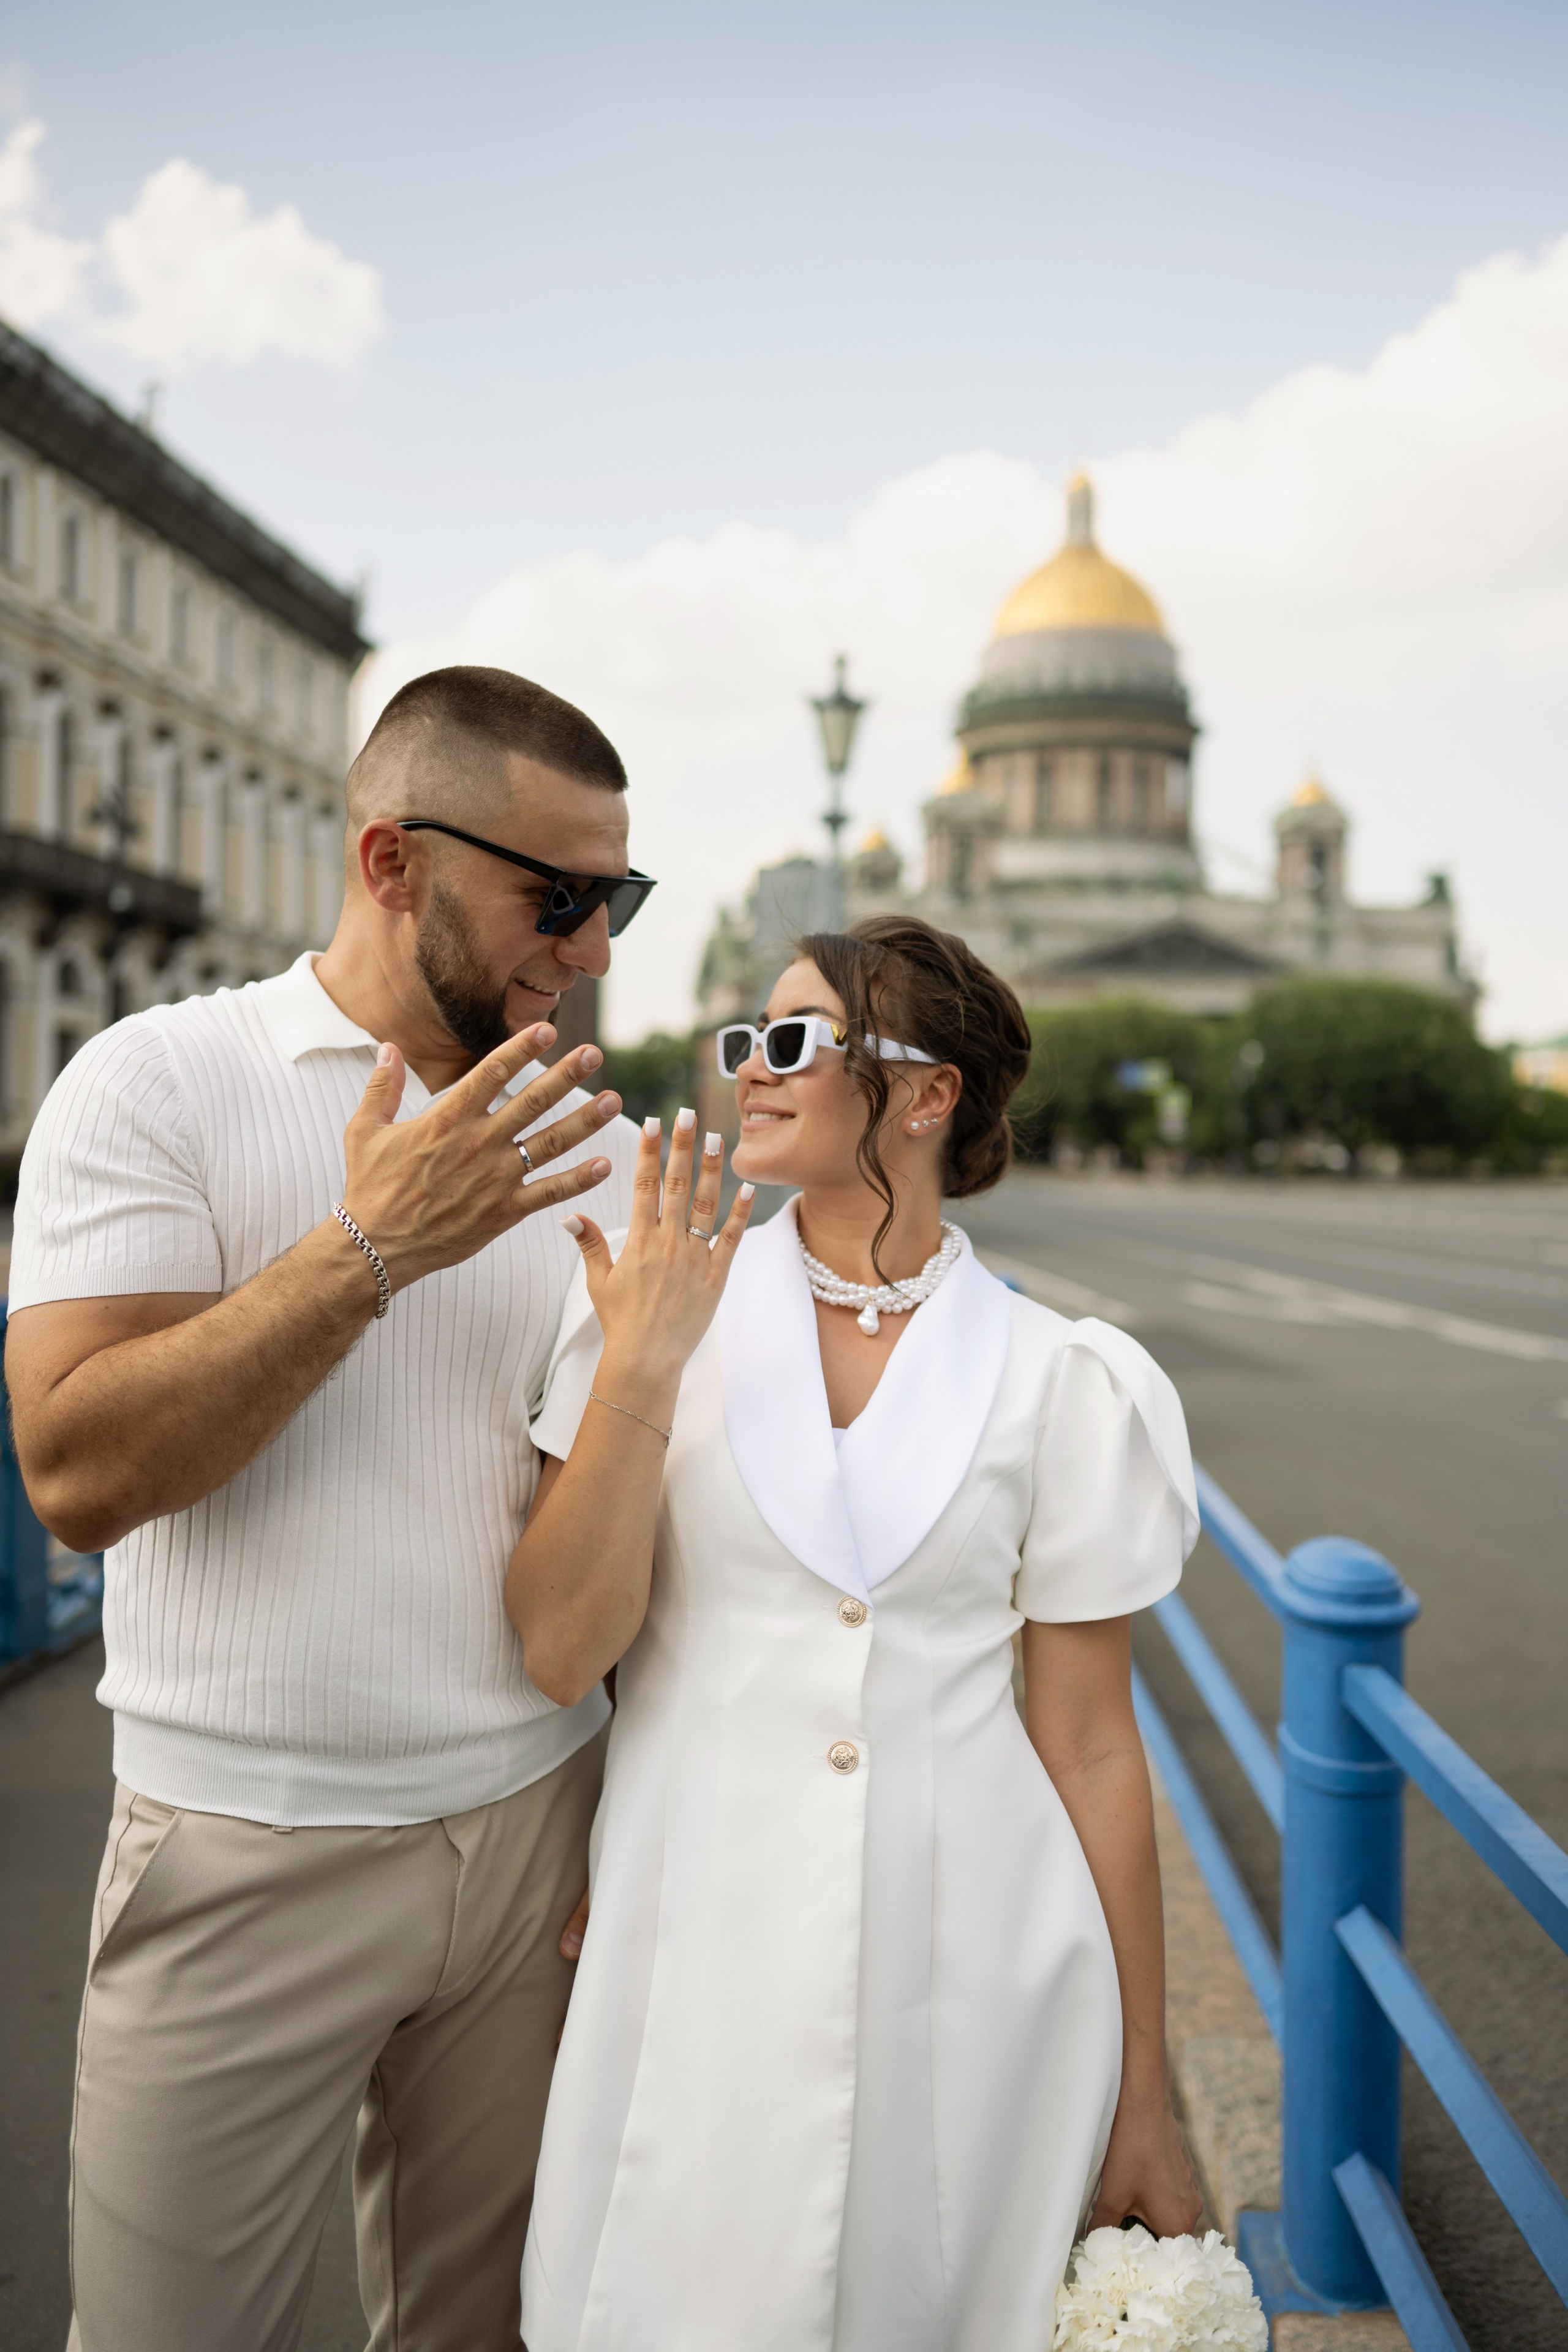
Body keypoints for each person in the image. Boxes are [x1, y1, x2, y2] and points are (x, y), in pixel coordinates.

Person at [5, 666, 649, 2352]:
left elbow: (653, 1508)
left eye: (618, 900)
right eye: (558, 898)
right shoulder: (155, 1083)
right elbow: (73, 1477)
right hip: (241, 1849)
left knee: (487, 2334)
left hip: (535, 1842)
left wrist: (636, 1811)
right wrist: (370, 1250)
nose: (592, 950)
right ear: (390, 864)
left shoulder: (607, 1146)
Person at [508, 914, 1204, 2352]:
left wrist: (1146, 2091)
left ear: (927, 1092)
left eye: (790, 1043)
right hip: (692, 1939)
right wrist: (640, 1359)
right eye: (740, 1044)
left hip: (979, 1969)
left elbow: (1085, 1745)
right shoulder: (651, 1316)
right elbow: (559, 1647)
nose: (747, 1074)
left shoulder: (1060, 1378)